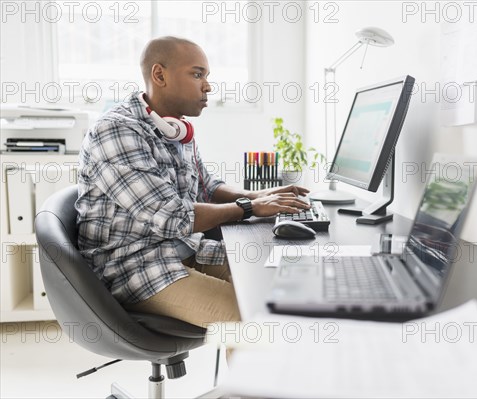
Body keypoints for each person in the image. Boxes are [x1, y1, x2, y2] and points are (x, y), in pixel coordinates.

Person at [76, 36, 310, 328]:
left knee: (274, 276)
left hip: (182, 248)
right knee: (251, 318)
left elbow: (207, 188)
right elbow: (173, 217)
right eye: (197, 74)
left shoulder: (175, 128)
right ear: (159, 75)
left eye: (207, 76)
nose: (208, 86)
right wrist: (249, 208)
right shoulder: (116, 130)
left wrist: (260, 195)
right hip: (133, 266)